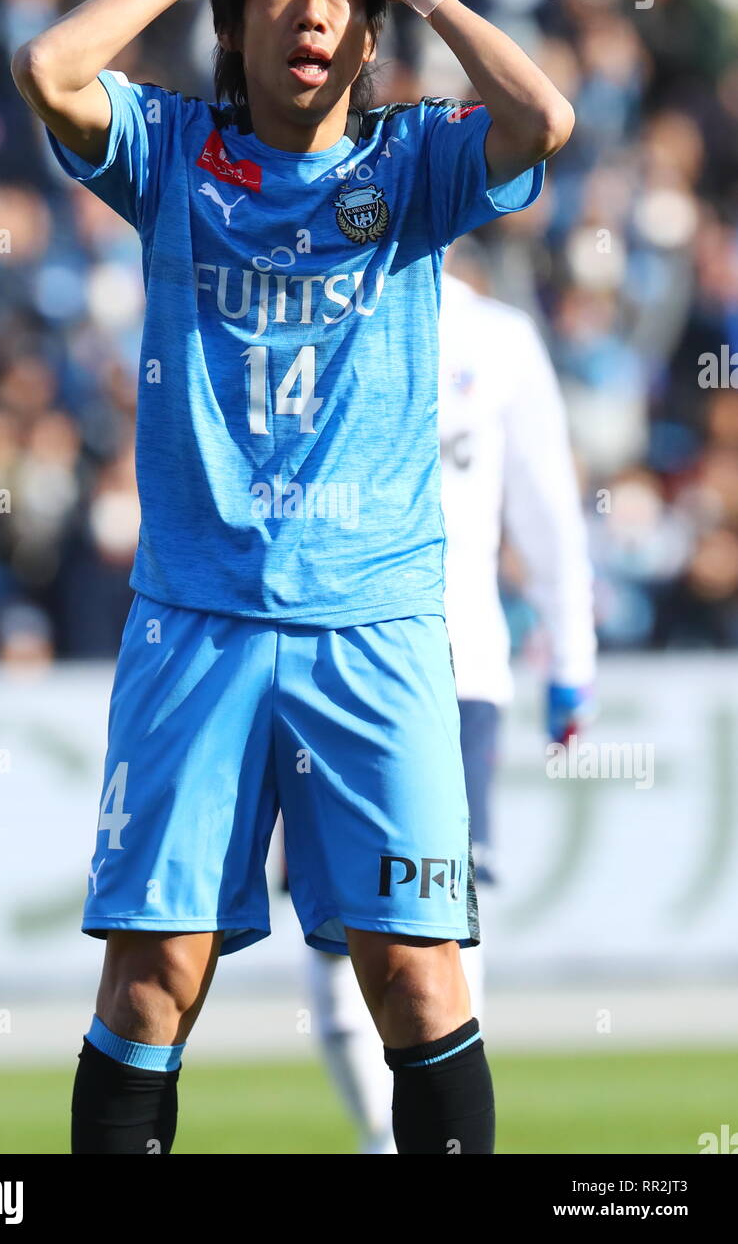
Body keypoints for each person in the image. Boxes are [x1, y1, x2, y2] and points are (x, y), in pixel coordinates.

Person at [11, 0, 573, 1155]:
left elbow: (541, 116)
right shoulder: (168, 154)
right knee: (152, 980)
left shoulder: (415, 162)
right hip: (195, 627)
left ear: (370, 35)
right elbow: (47, 65)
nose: (309, 10)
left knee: (417, 977)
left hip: (370, 627)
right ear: (235, 20)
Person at [307, 253, 597, 1152]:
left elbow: (547, 499)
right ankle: (385, 1140)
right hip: (327, 656)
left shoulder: (500, 339)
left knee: (439, 927)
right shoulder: (322, 311)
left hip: (454, 664)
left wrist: (571, 654)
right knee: (336, 925)